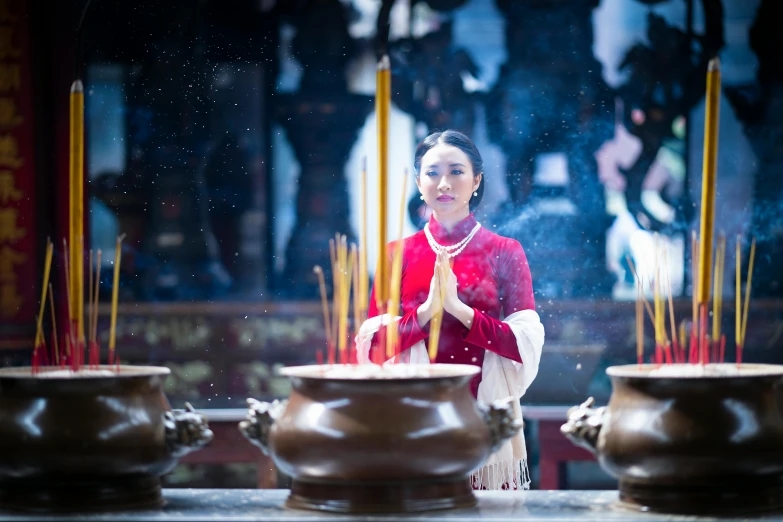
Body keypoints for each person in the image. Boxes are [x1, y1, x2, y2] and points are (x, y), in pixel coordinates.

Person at [356, 130, 545, 490]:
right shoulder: (397, 255)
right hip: (414, 420)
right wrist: (427, 313)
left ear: (476, 180)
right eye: (432, 172)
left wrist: (462, 311)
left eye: (457, 171)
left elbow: (524, 346)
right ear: (418, 181)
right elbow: (374, 350)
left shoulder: (505, 251)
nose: (444, 183)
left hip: (485, 419)